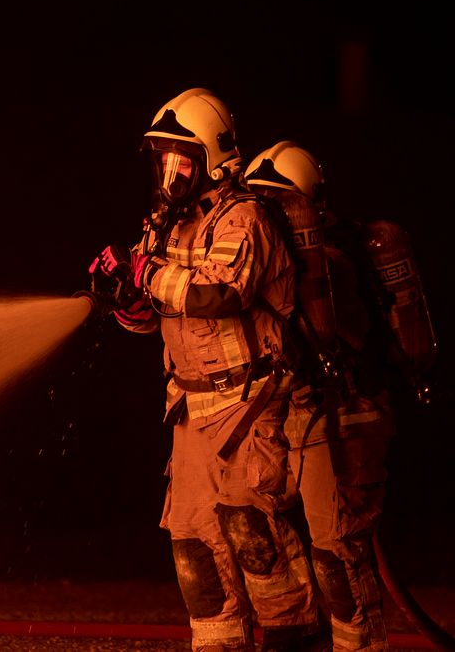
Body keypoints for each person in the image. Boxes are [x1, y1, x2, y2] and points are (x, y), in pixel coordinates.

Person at [89, 88, 326, 651]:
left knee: (255, 538)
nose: (171, 174)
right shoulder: (164, 226)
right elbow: (157, 318)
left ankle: (298, 638)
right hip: (190, 412)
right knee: (193, 545)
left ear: (213, 158)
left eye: (182, 160)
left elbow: (219, 294)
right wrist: (123, 297)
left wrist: (144, 273)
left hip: (249, 406)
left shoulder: (244, 219)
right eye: (164, 160)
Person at [245, 141, 395, 651]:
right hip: (299, 413)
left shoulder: (329, 264)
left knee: (336, 552)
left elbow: (332, 334)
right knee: (265, 523)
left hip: (342, 415)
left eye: (275, 207)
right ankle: (295, 637)